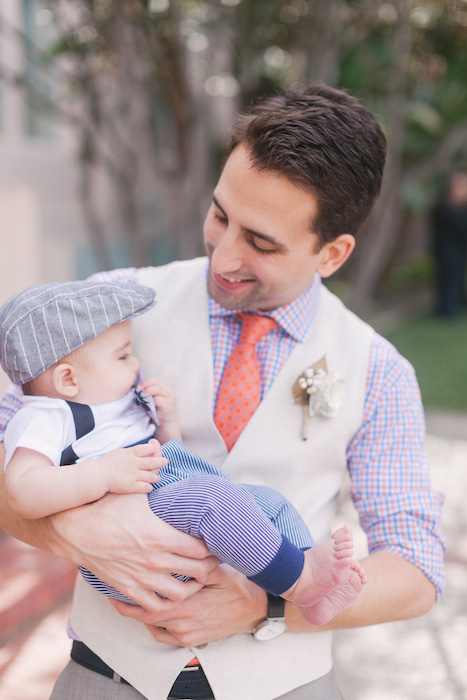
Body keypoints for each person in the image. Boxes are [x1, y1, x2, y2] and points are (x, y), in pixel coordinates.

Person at [0, 84, 445, 700]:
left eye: (261, 242)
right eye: (219, 216)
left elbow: (417, 572)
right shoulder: (105, 311)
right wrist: (76, 532)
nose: (224, 256)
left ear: (332, 253)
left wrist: (265, 605)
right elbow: (10, 454)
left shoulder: (381, 371)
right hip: (105, 679)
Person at [1, 279, 365, 627]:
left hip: (167, 500)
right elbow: (21, 488)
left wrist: (167, 425)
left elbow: (165, 456)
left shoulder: (111, 400)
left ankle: (310, 587)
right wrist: (102, 474)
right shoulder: (46, 416)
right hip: (130, 540)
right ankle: (300, 583)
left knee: (268, 503)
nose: (135, 362)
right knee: (213, 499)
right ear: (68, 380)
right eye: (123, 355)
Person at [432, 171, 467, 318]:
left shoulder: (452, 207)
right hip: (449, 252)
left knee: (454, 279)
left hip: (453, 252)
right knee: (449, 280)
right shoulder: (449, 209)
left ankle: (453, 306)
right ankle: (448, 311)